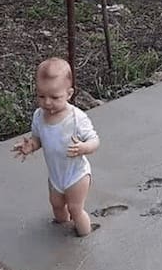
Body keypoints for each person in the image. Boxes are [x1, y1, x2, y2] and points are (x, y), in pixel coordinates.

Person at [12, 57, 99, 236]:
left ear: (69, 94)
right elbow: (38, 138)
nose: (47, 102)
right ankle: (62, 226)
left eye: (55, 97)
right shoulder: (39, 116)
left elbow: (94, 140)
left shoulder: (76, 118)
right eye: (41, 96)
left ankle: (84, 236)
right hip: (56, 176)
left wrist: (84, 147)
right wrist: (31, 146)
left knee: (75, 209)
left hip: (76, 174)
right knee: (57, 205)